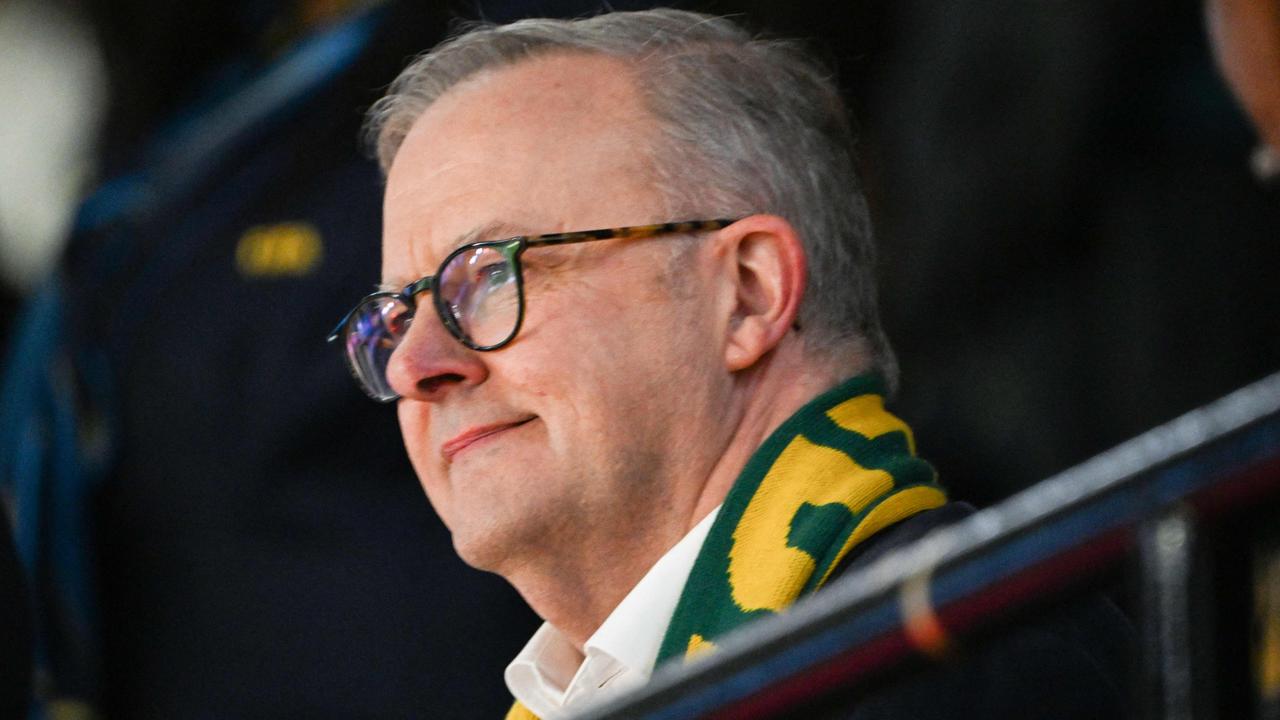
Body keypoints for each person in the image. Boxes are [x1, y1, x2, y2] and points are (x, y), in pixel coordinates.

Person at [329, 9, 1130, 718]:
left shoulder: (960, 653)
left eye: (489, 275)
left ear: (746, 293)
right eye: (395, 316)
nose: (415, 366)